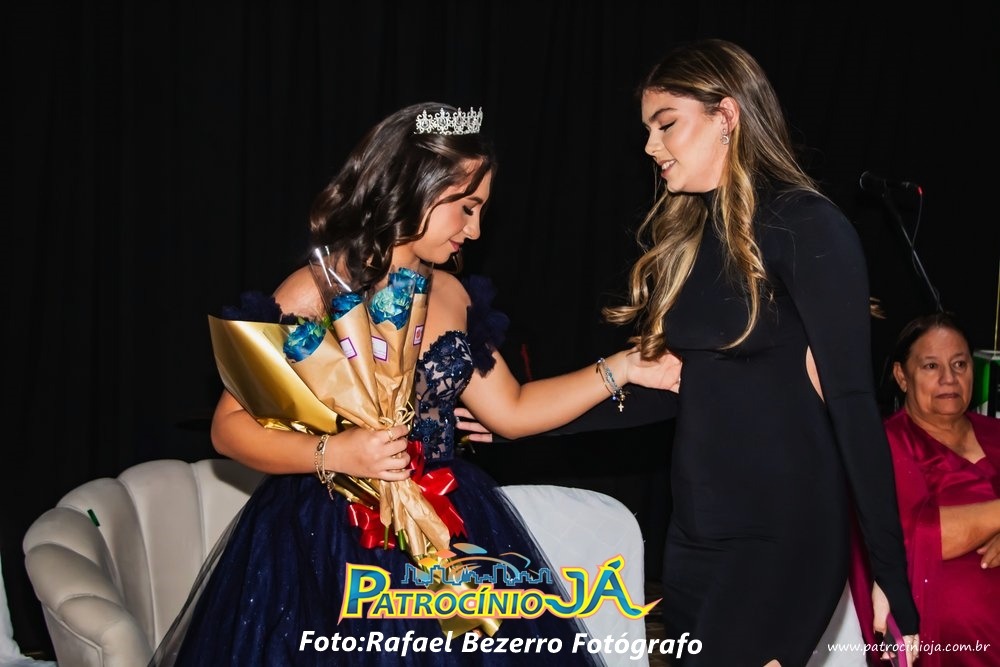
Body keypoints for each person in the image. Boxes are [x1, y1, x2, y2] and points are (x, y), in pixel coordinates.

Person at [150, 102, 681, 666]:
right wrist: (335, 452)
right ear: (414, 188)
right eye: (466, 208)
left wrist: (622, 368)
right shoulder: (317, 288)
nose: (475, 230)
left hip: (446, 519)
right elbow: (228, 429)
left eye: (482, 211)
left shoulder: (452, 294)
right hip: (324, 538)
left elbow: (513, 410)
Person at [595, 38, 920, 665]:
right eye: (647, 130)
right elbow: (680, 391)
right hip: (695, 538)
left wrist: (890, 572)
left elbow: (854, 403)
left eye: (666, 124)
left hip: (784, 535)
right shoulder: (693, 237)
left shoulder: (806, 224)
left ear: (727, 115)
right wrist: (520, 421)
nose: (651, 146)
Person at [850, 312, 1000, 666]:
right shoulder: (886, 445)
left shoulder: (995, 433)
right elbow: (914, 536)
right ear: (902, 376)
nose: (950, 378)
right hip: (946, 645)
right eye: (931, 366)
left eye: (959, 364)